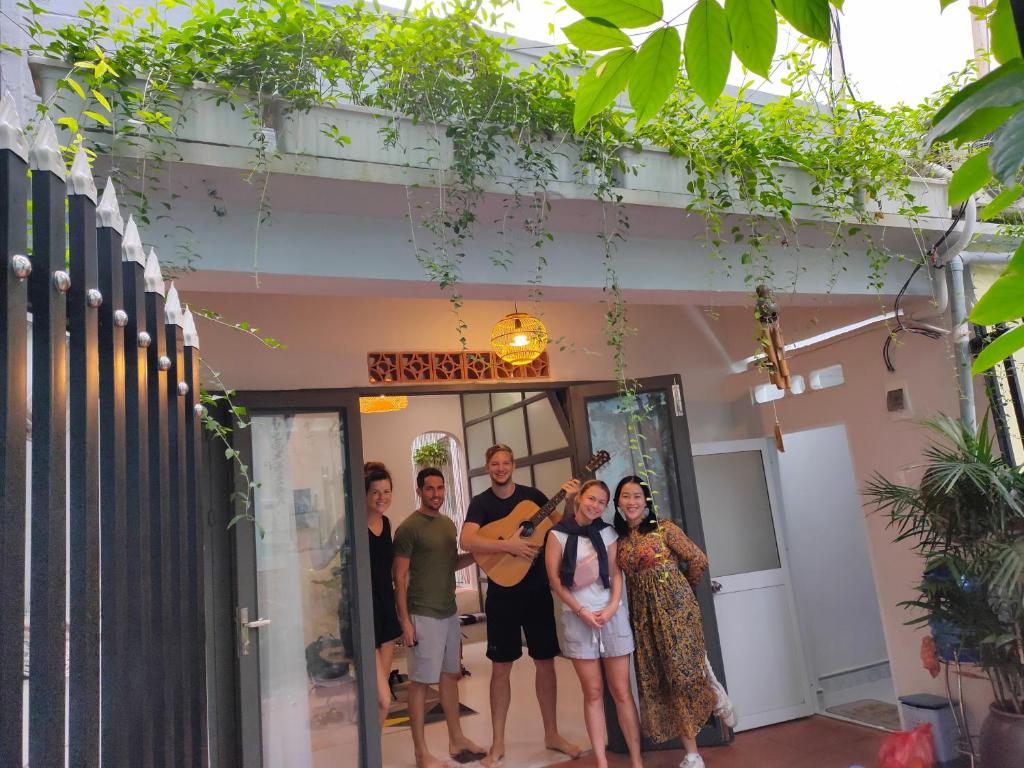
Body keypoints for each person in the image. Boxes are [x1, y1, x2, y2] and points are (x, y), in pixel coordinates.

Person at [459, 444, 582, 767]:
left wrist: (569, 499)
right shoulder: (481, 503)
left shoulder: (533, 497)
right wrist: (510, 544)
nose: (500, 468)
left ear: (513, 465)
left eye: (505, 463)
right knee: (501, 667)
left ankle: (552, 733)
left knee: (545, 661)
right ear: (487, 467)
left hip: (538, 589)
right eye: (494, 464)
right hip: (502, 593)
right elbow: (467, 541)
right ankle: (497, 743)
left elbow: (561, 527)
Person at [613, 476, 717, 768]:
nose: (631, 501)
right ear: (618, 502)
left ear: (646, 500)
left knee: (681, 674)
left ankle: (708, 708)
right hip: (643, 617)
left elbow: (698, 559)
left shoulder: (664, 528)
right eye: (625, 496)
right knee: (659, 678)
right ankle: (691, 752)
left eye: (637, 496)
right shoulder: (619, 539)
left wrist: (684, 590)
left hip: (675, 610)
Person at [545, 479, 643, 768]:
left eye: (602, 502)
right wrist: (580, 611)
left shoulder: (609, 532)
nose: (596, 505)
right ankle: (602, 762)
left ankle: (636, 759)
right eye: (591, 499)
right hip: (578, 618)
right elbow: (554, 580)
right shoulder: (557, 535)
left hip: (611, 616)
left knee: (622, 691)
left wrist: (613, 606)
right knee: (593, 693)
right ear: (579, 499)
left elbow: (615, 574)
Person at [393, 467, 486, 768]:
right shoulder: (409, 528)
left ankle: (456, 739)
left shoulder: (448, 524)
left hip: (448, 612)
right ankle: (421, 754)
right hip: (422, 613)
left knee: (450, 677)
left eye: (440, 488)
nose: (436, 494)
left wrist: (478, 553)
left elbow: (451, 564)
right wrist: (405, 621)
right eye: (429, 488)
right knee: (420, 683)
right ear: (419, 491)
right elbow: (399, 576)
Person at [364, 461, 403, 731]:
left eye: (386, 492)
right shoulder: (353, 523)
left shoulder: (387, 523)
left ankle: (371, 751)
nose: (382, 498)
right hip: (366, 614)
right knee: (383, 700)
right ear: (365, 494)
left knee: (378, 698)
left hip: (386, 612)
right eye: (376, 492)